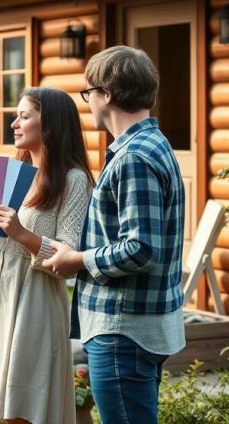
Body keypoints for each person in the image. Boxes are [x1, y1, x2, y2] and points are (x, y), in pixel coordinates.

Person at [43, 45, 186, 424]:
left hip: (124, 330)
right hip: (135, 327)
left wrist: (77, 259)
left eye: (88, 93)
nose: (87, 103)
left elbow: (141, 249)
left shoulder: (134, 157)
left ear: (106, 94)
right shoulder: (152, 144)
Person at [0, 86, 91, 424]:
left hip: (35, 303)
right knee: (2, 408)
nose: (14, 123)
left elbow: (68, 262)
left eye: (24, 116)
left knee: (24, 408)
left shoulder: (73, 181)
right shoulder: (14, 176)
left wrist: (22, 234)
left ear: (51, 125)